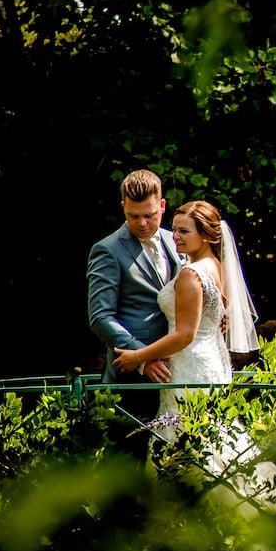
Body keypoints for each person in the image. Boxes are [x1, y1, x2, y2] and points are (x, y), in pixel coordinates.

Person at [111, 200, 276, 551]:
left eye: (185, 231)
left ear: (206, 235)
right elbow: (210, 322)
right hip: (209, 363)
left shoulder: (190, 275)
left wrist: (137, 356)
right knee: (218, 449)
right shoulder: (214, 268)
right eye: (176, 229)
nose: (177, 236)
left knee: (192, 451)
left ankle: (205, 543)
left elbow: (184, 334)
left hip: (192, 366)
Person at [87, 169, 182, 419]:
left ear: (162, 205)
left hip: (180, 367)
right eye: (133, 216)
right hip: (132, 375)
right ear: (123, 207)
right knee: (131, 454)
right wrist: (143, 358)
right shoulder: (106, 250)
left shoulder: (177, 241)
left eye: (149, 215)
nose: (142, 223)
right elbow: (100, 317)